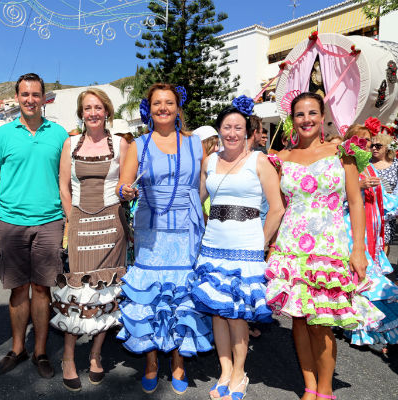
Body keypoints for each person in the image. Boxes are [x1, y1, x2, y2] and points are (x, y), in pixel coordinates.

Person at [265, 92, 383, 400]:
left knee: (322, 322)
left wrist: (359, 249)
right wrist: (271, 246)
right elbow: (277, 207)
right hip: (291, 247)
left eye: (312, 113)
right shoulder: (281, 158)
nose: (306, 119)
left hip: (329, 248)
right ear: (293, 119)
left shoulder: (342, 151)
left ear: (322, 116)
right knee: (300, 321)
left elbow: (356, 202)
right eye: (300, 114)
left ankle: (326, 391)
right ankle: (310, 386)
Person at [117, 83, 213, 395]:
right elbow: (123, 185)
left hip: (186, 229)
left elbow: (201, 186)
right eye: (157, 103)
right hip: (151, 230)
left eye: (169, 102)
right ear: (149, 108)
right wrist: (127, 191)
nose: (163, 108)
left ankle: (178, 362)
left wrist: (197, 215)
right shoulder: (138, 144)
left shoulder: (194, 143)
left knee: (181, 295)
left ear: (177, 107)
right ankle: (151, 363)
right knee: (151, 295)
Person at [189, 97, 284, 400]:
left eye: (238, 128)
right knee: (218, 312)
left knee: (237, 314)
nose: (232, 132)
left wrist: (262, 243)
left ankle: (240, 373)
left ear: (248, 132)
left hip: (246, 247)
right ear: (219, 130)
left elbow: (277, 209)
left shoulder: (260, 161)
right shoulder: (210, 161)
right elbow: (195, 198)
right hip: (213, 245)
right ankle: (225, 370)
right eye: (226, 127)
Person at [0, 73, 68, 379]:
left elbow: (65, 179)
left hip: (49, 222)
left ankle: (40, 351)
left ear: (43, 98)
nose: (30, 99)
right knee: (18, 290)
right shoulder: (2, 135)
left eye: (36, 94)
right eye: (25, 94)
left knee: (42, 289)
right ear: (17, 98)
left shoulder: (59, 135)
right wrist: (7, 197)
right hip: (12, 223)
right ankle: (17, 348)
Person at [52, 88, 129, 391]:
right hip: (81, 222)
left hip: (113, 224)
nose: (93, 113)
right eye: (87, 108)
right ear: (81, 113)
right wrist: (71, 220)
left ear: (107, 111)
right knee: (79, 290)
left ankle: (96, 354)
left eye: (98, 107)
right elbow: (63, 185)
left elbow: (125, 184)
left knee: (107, 290)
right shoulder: (70, 143)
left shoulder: (122, 144)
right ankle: (69, 358)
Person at [341, 124, 398, 351]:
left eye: (367, 141)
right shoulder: (343, 164)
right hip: (347, 231)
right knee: (358, 279)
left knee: (364, 279)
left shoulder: (370, 168)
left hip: (369, 234)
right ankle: (353, 326)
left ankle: (362, 327)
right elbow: (330, 198)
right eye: (360, 140)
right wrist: (357, 186)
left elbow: (386, 202)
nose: (364, 145)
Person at [370, 131, 398, 254]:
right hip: (369, 207)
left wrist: (394, 205)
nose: (374, 148)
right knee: (370, 240)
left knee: (384, 242)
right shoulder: (367, 163)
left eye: (378, 146)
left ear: (387, 147)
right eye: (372, 145)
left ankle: (382, 270)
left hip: (388, 210)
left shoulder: (395, 165)